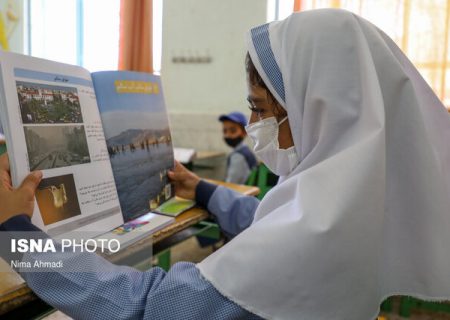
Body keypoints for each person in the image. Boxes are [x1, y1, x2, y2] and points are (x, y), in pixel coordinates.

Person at [1, 8, 450, 320]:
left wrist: (16, 231)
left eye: (259, 108)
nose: (253, 123)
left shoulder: (307, 238)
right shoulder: (349, 206)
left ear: (318, 108)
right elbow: (268, 223)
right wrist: (202, 190)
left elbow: (141, 307)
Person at [219, 111, 257, 184]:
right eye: (225, 131)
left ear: (244, 133)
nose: (227, 135)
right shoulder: (245, 150)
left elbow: (231, 184)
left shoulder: (238, 156)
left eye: (233, 131)